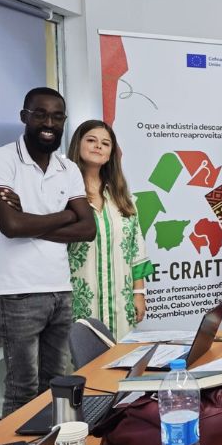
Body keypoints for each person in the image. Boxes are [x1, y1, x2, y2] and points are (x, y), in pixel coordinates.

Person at [0, 87, 96, 415]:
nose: (49, 123)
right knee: (23, 391)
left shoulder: (67, 169)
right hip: (17, 293)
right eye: (40, 114)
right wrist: (66, 215)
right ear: (24, 117)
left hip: (60, 291)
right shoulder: (1, 159)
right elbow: (11, 226)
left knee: (58, 386)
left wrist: (30, 219)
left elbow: (88, 229)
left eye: (57, 117)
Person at [63, 120, 154, 340]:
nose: (98, 146)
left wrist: (139, 294)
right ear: (78, 144)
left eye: (105, 143)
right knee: (82, 357)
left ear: (111, 152)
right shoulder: (63, 193)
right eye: (91, 140)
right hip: (78, 306)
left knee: (121, 358)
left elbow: (136, 250)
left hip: (121, 306)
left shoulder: (121, 197)